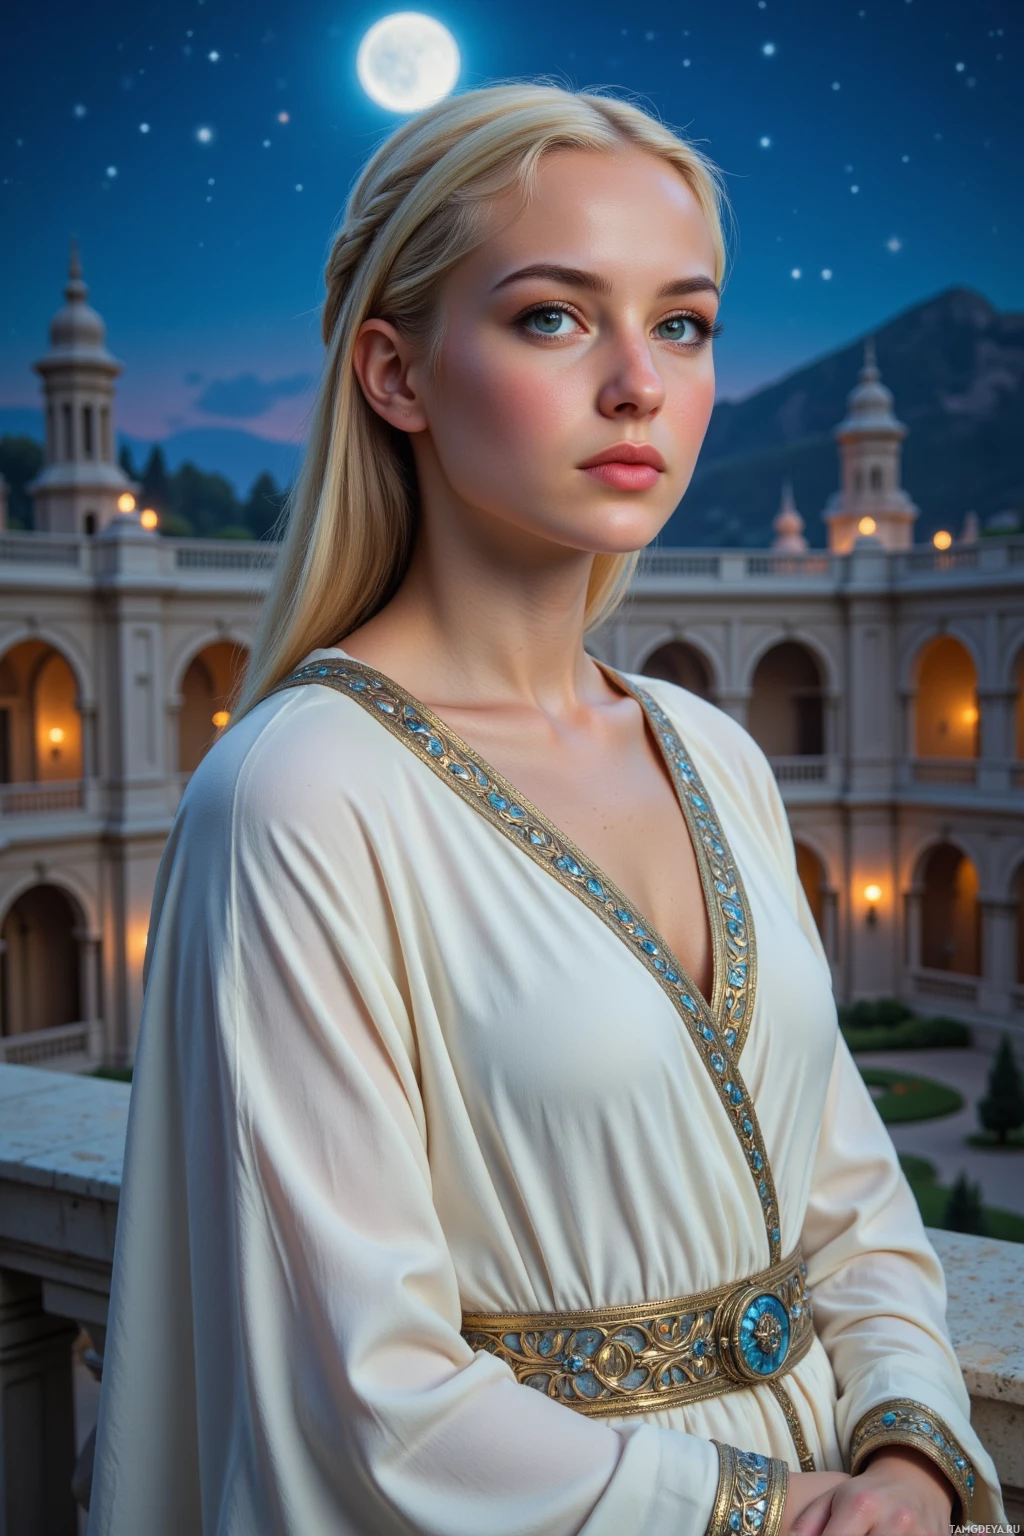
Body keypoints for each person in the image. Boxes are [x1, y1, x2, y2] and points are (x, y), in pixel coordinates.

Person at [87, 82, 1004, 1536]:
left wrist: (904, 1458)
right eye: (555, 317)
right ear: (393, 375)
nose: (639, 381)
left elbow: (855, 1208)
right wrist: (769, 1511)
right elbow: (365, 1391)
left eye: (684, 322)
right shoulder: (302, 794)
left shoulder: (715, 754)